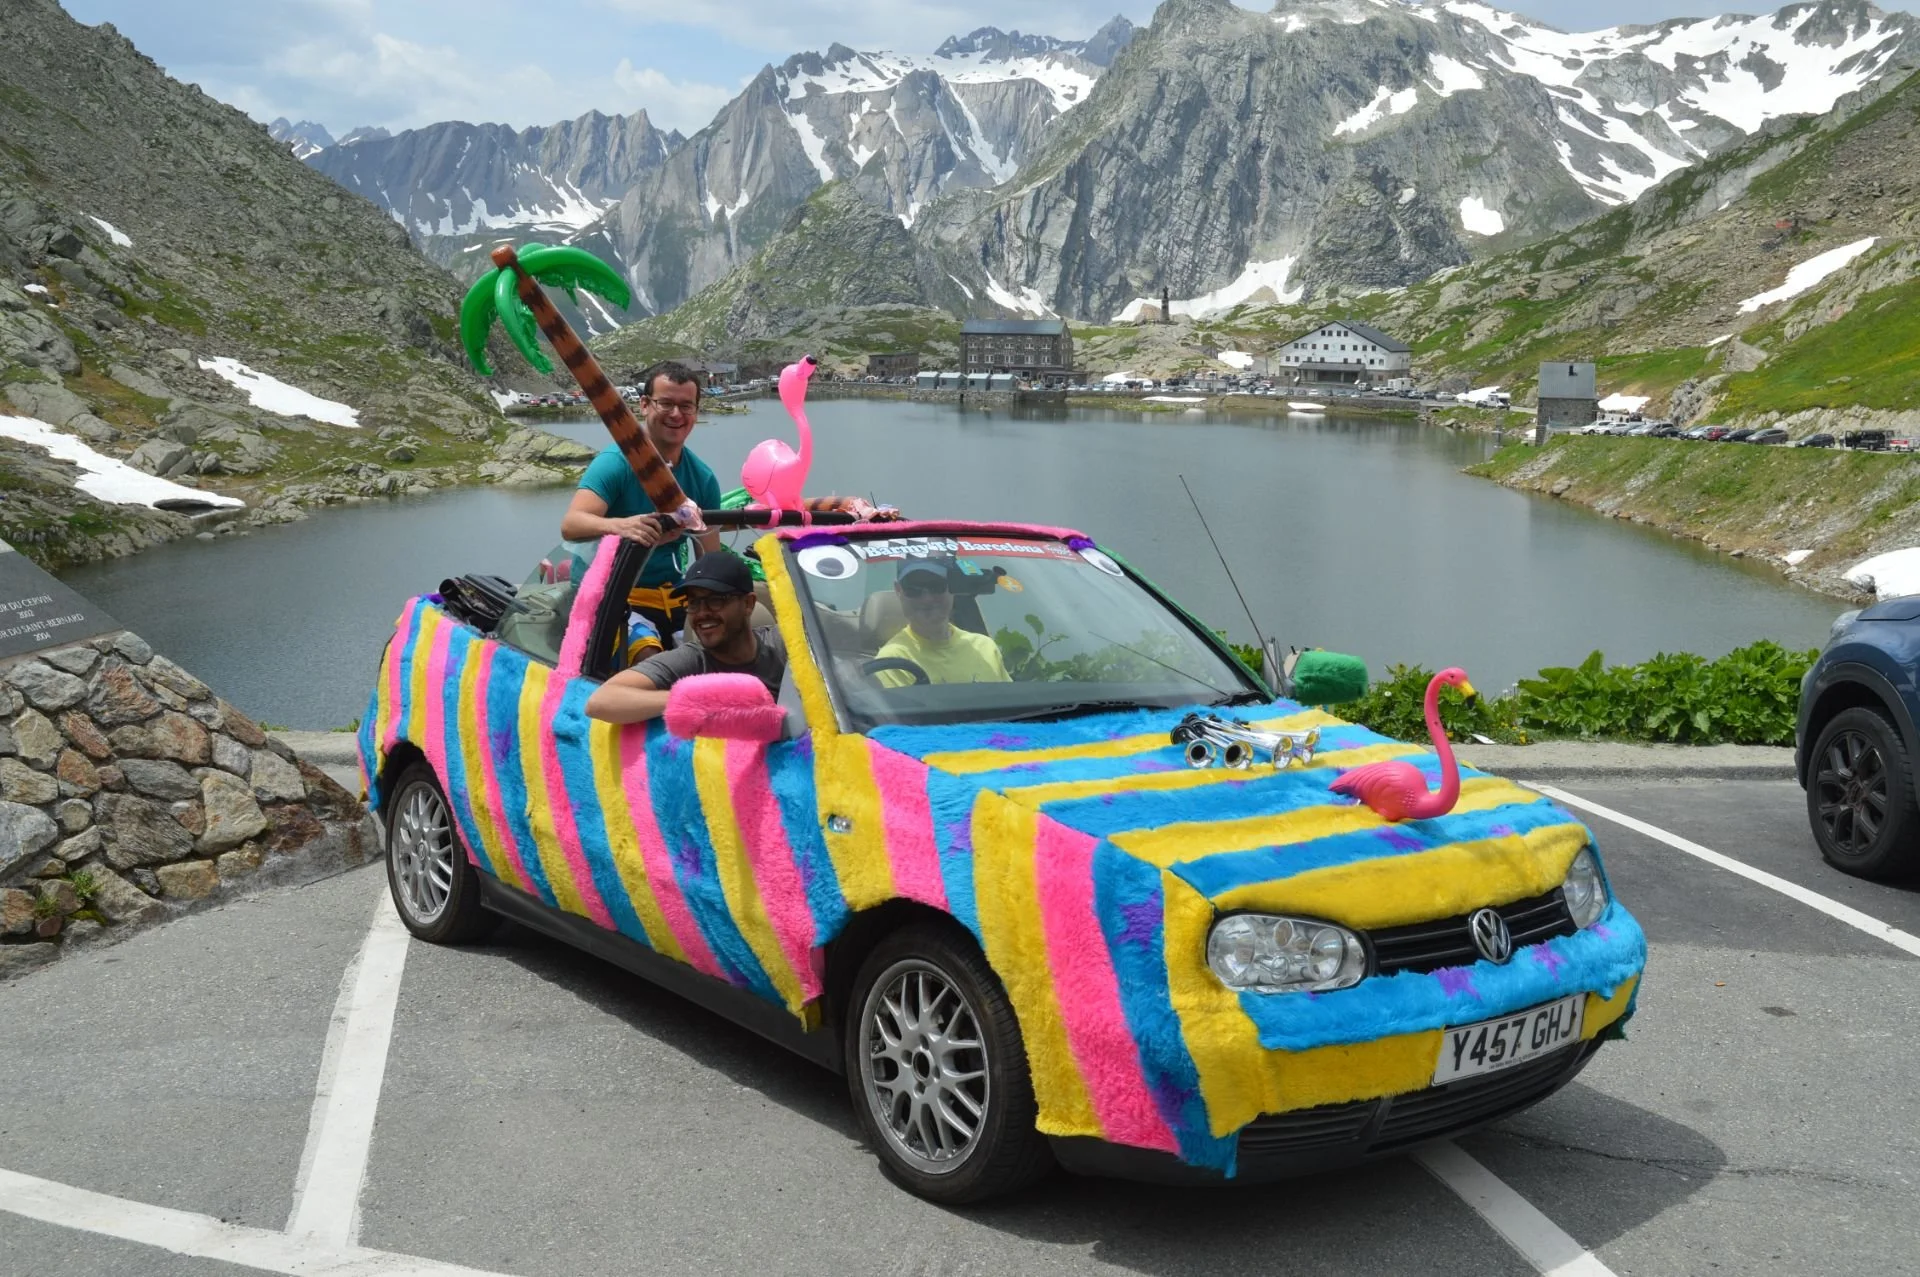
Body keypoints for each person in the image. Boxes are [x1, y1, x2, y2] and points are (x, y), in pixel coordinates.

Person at [561, 360, 723, 658]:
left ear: (696, 412)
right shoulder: (615, 462)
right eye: (666, 404)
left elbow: (710, 557)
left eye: (686, 406)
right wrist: (621, 526)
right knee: (648, 657)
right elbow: (571, 525)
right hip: (612, 597)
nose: (677, 414)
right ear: (645, 405)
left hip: (673, 597)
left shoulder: (703, 477)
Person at [585, 551, 786, 725]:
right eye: (694, 603)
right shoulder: (691, 662)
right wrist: (702, 700)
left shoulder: (784, 645)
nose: (702, 613)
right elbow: (600, 702)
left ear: (748, 604)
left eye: (715, 601)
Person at [873, 557, 1010, 687]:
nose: (926, 599)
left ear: (954, 586)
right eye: (913, 589)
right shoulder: (891, 661)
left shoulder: (986, 649)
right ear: (898, 590)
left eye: (936, 586)